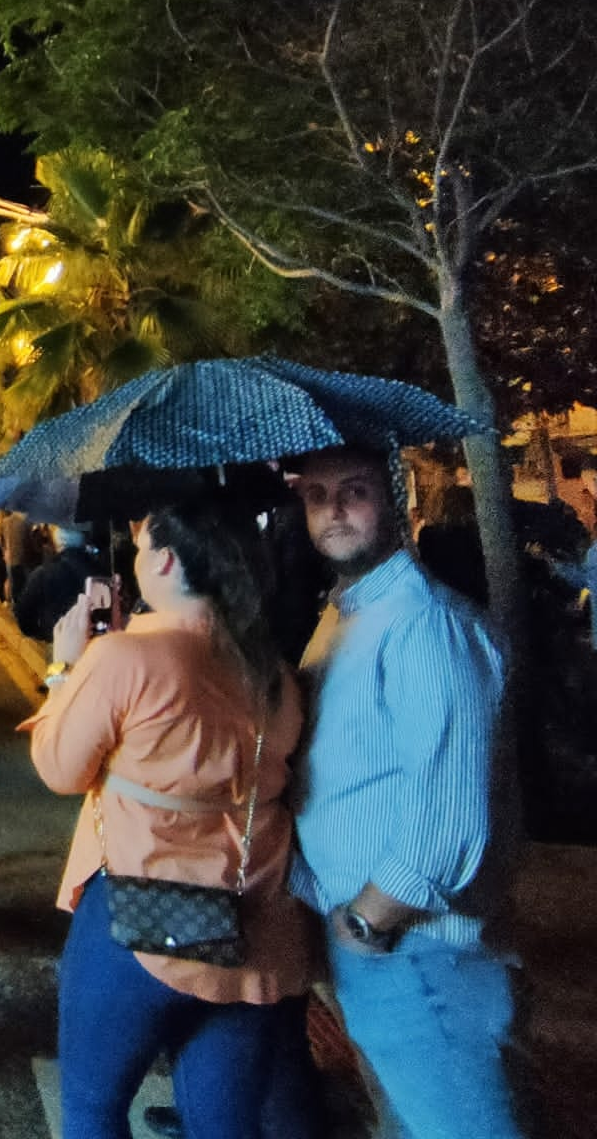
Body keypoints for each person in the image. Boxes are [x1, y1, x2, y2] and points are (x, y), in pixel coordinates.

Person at [24, 498, 309, 1139]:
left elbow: (59, 768)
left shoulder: (123, 658)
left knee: (94, 1111)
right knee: (224, 1124)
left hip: (142, 918)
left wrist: (66, 665)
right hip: (253, 925)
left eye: (143, 543)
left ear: (167, 559)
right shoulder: (273, 675)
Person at [289, 446, 521, 1139]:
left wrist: (365, 921)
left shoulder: (425, 624)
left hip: (417, 957)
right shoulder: (349, 614)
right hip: (380, 953)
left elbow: (449, 811)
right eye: (316, 495)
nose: (333, 509)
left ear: (397, 502)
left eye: (354, 491)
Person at [14, 525, 100, 642]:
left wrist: (42, 633)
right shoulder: (98, 571)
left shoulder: (43, 573)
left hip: (58, 639)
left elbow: (24, 613)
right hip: (93, 640)